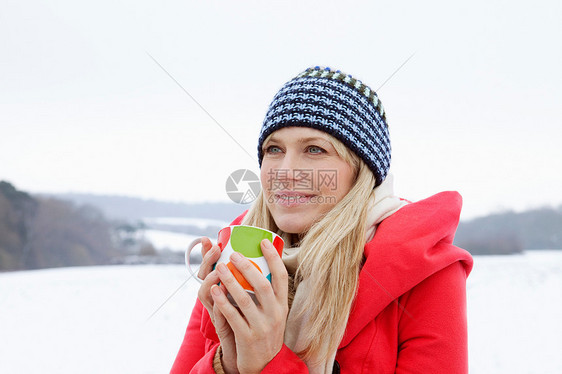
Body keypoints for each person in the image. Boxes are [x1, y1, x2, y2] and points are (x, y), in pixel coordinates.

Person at [170, 66, 473, 374]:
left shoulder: (425, 270)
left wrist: (269, 364)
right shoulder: (236, 257)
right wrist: (225, 366)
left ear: (360, 171)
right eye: (274, 149)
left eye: (314, 149)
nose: (285, 171)